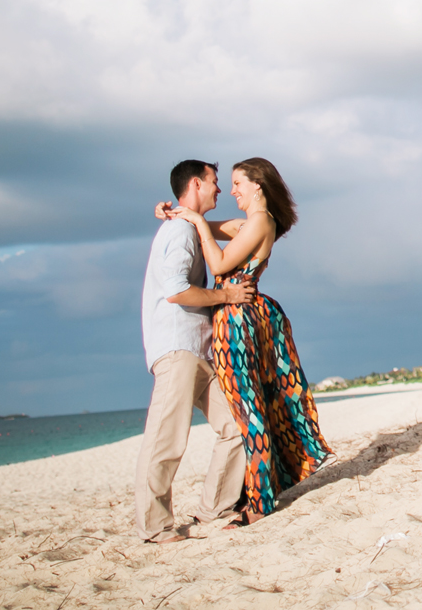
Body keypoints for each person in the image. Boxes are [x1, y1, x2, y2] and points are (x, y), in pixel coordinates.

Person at [161, 156, 331, 524]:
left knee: (248, 411)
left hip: (237, 321)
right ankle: (253, 493)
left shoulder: (260, 220)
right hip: (233, 318)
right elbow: (208, 226)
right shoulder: (248, 222)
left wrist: (196, 224)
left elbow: (220, 265)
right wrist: (179, 214)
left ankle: (259, 503)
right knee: (249, 408)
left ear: (257, 184)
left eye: (238, 183)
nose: (231, 190)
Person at [134, 159, 251, 544]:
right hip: (177, 346)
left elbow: (239, 228)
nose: (221, 190)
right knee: (166, 440)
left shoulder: (190, 226)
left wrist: (190, 217)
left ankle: (213, 507)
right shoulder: (180, 231)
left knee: (235, 426)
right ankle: (155, 526)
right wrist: (227, 295)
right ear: (197, 184)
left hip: (200, 348)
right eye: (216, 182)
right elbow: (177, 290)